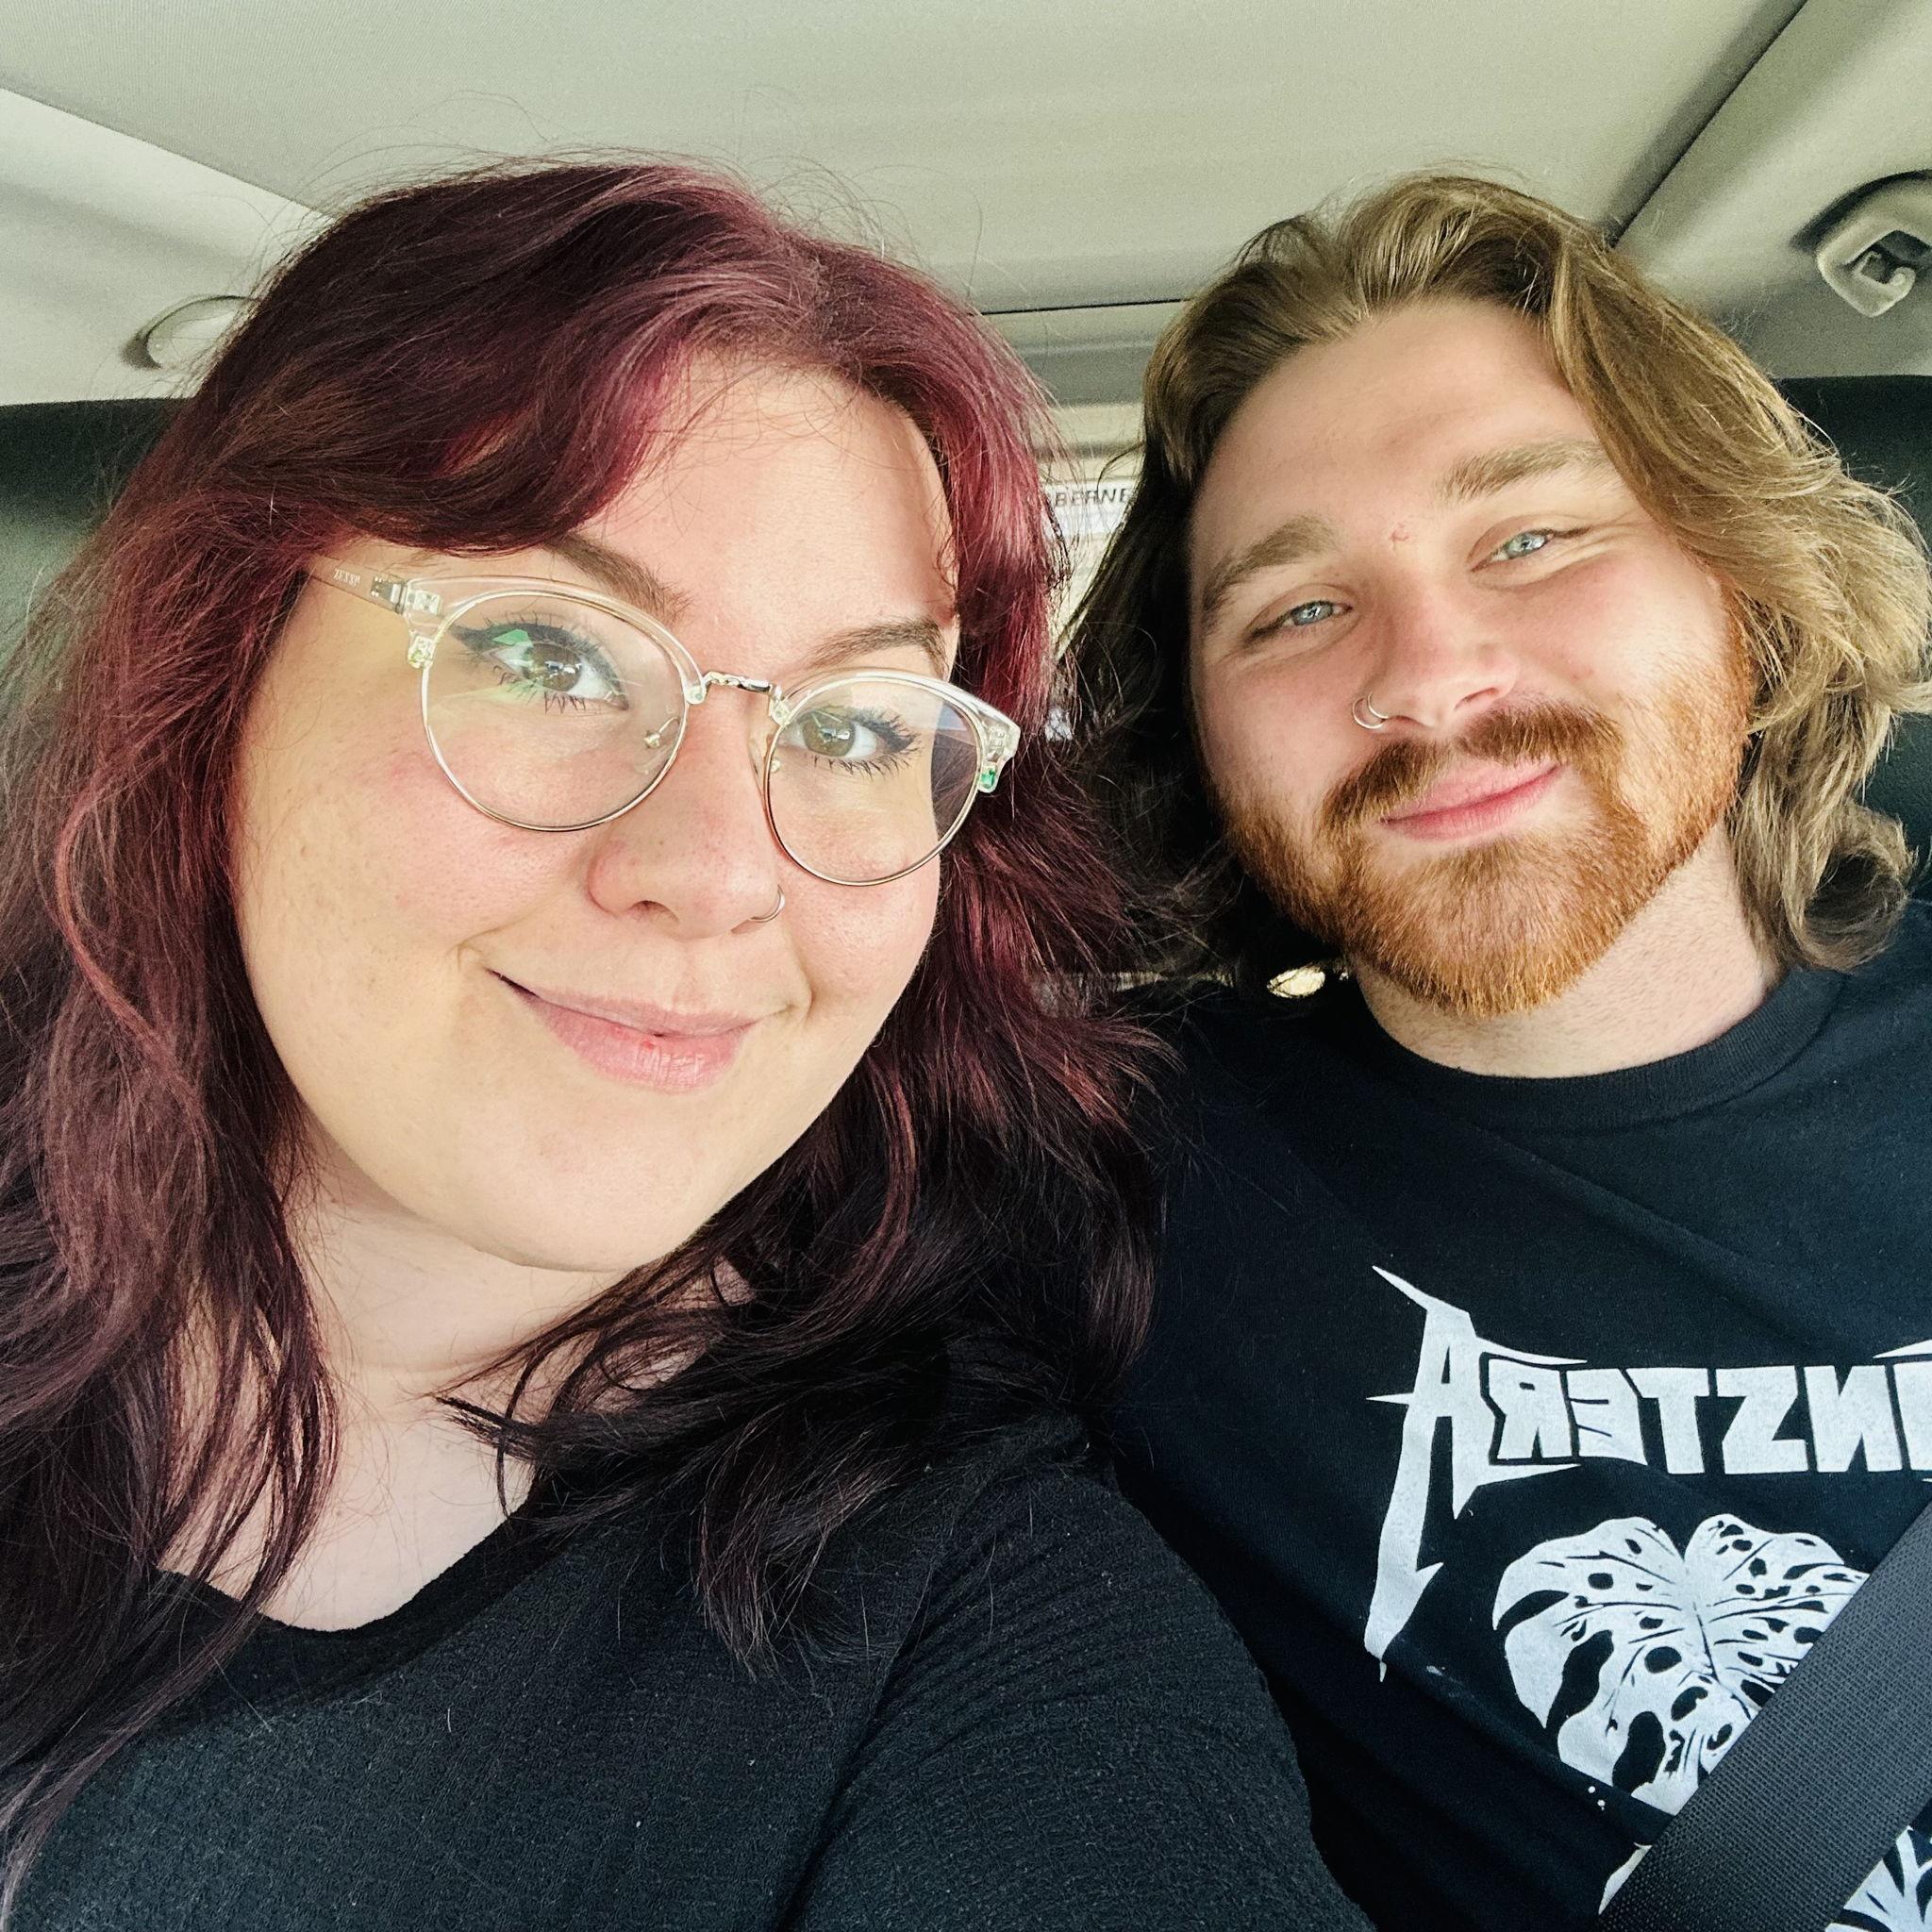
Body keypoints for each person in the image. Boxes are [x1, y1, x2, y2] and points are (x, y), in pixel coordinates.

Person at [0, 159, 1367, 1932]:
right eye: (551, 657)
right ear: (214, 674)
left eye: (861, 727)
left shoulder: (966, 1612)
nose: (721, 875)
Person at [1068, 174, 1932, 1930]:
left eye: (1531, 539)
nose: (1431, 676)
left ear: (1747, 585)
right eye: (1293, 611)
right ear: (1203, 730)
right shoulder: (1090, 1181)